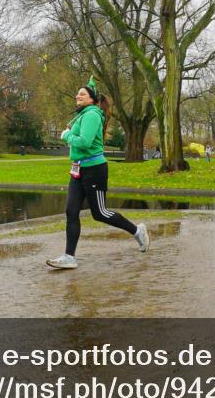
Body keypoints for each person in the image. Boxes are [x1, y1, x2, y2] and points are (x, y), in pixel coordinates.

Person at [48, 76, 149, 269]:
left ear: (93, 99)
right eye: (77, 93)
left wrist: (66, 135)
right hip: (78, 169)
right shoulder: (82, 114)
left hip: (94, 169)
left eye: (83, 93)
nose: (78, 95)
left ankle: (137, 231)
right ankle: (69, 257)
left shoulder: (92, 115)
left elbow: (84, 142)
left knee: (100, 213)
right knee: (71, 211)